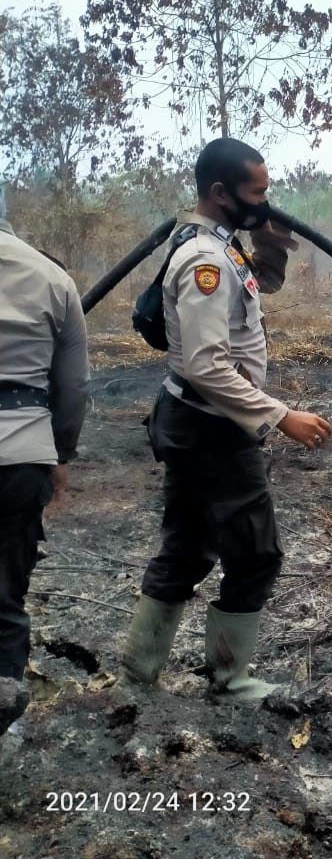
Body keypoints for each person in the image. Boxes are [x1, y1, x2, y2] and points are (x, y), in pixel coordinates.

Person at [121, 138, 332, 702]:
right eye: (256, 192)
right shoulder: (206, 261)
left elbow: (258, 285)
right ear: (220, 192)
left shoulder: (220, 246)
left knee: (186, 548)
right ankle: (230, 679)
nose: (265, 200)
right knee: (256, 554)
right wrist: (281, 415)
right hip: (211, 426)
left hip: (196, 421)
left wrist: (271, 238)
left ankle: (137, 677)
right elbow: (204, 364)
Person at [0, 186, 90, 732]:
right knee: (4, 597)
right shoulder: (52, 278)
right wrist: (62, 453)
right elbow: (73, 386)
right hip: (20, 454)